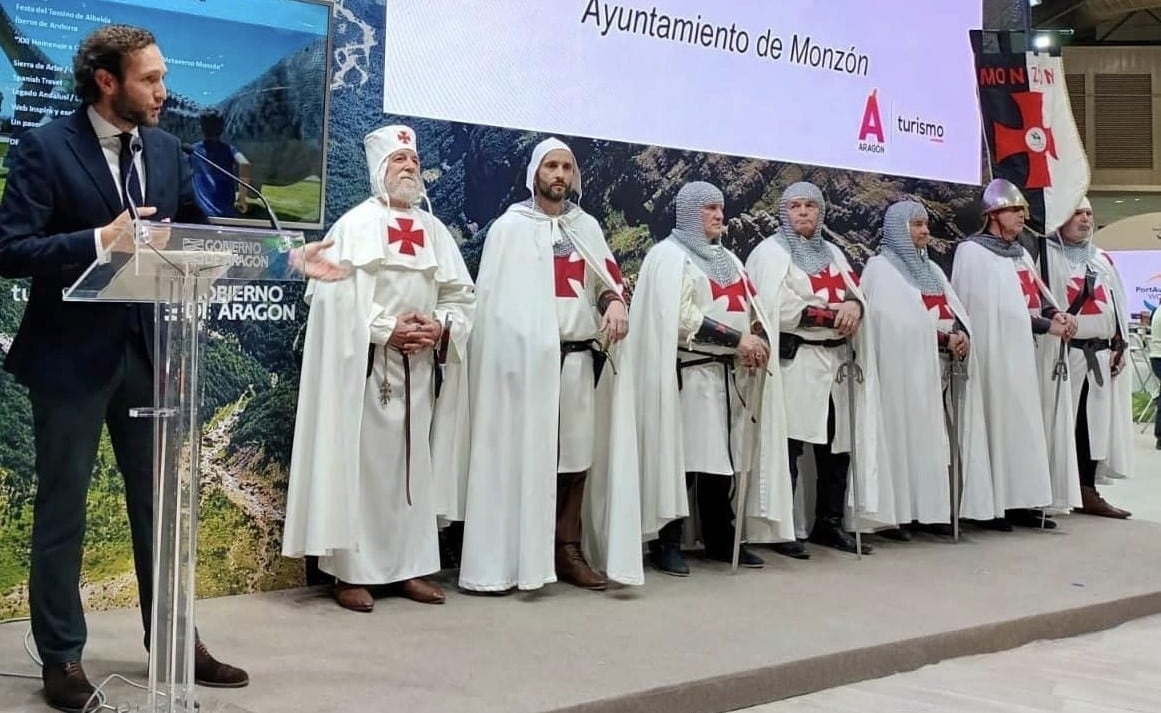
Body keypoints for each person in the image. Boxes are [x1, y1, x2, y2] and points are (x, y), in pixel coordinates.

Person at [0, 25, 247, 712]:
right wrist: (95, 240)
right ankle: (62, 657)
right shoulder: (45, 146)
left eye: (164, 77)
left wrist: (230, 246)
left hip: (153, 354)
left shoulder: (168, 150)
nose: (165, 92)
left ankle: (174, 641)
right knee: (63, 512)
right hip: (69, 356)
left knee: (161, 512)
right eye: (150, 79)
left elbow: (199, 227)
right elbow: (10, 247)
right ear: (106, 81)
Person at [282, 124, 475, 611]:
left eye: (412, 161)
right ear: (378, 172)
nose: (409, 168)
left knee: (412, 467)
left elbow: (461, 295)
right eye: (398, 162)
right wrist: (385, 328)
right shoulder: (355, 225)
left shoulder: (434, 231)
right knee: (363, 466)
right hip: (367, 367)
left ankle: (407, 568)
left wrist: (439, 326)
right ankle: (353, 573)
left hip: (420, 366)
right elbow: (331, 297)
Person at [458, 137, 642, 594]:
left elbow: (604, 281)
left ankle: (567, 546)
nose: (559, 175)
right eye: (550, 166)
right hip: (524, 367)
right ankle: (518, 551)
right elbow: (495, 306)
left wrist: (614, 302)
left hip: (576, 358)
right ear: (535, 174)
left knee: (575, 457)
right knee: (523, 453)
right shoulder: (510, 228)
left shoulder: (587, 228)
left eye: (566, 167)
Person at [631, 180, 796, 576]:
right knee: (682, 458)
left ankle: (721, 537)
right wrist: (738, 338)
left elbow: (753, 305)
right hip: (690, 374)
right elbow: (679, 316)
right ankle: (667, 540)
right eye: (708, 208)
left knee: (722, 461)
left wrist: (759, 336)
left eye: (720, 208)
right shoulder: (668, 257)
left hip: (729, 375)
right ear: (688, 212)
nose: (718, 215)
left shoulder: (731, 261)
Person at [746, 181, 892, 558]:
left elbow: (854, 293)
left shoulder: (833, 254)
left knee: (836, 447)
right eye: (795, 206)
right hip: (796, 362)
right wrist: (830, 314)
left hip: (836, 363)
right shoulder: (770, 253)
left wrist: (855, 308)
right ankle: (782, 528)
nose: (804, 212)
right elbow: (774, 305)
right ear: (784, 211)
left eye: (811, 205)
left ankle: (828, 523)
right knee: (789, 446)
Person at [861, 200, 995, 532]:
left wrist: (961, 334)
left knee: (936, 442)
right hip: (903, 373)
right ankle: (901, 514)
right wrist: (939, 338)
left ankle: (933, 510)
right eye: (916, 225)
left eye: (925, 225)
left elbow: (956, 310)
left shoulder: (932, 270)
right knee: (904, 439)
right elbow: (893, 323)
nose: (924, 231)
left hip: (941, 369)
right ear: (898, 229)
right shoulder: (880, 269)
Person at [950, 178, 1071, 530]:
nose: (1021, 217)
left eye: (1022, 211)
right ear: (993, 214)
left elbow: (1032, 297)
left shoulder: (1020, 252)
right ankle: (995, 505)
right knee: (998, 422)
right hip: (994, 357)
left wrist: (1055, 315)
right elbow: (991, 310)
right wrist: (1045, 326)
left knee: (1025, 427)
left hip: (1024, 353)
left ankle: (1022, 501)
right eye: (1015, 210)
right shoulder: (972, 252)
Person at [1038, 196, 1132, 518]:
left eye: (1089, 214)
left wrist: (1120, 342)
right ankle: (1061, 488)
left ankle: (1088, 488)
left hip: (1101, 353)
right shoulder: (1047, 256)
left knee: (1095, 424)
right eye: (1077, 212)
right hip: (1067, 353)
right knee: (1068, 421)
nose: (1085, 219)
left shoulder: (1101, 259)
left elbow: (1117, 304)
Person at [189, 108, 252, 218]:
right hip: (226, 214)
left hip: (201, 214)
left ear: (201, 128)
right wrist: (242, 198)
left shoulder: (193, 150)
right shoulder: (229, 150)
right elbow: (245, 164)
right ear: (223, 128)